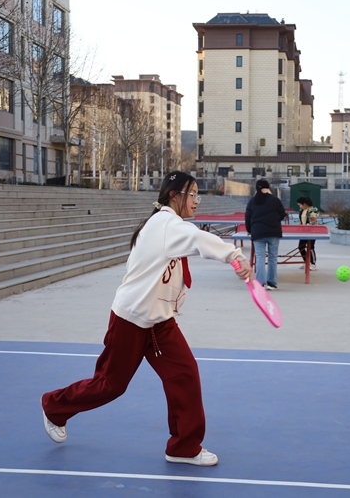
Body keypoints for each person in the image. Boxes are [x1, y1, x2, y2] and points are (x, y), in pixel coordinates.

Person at [40, 171, 252, 467]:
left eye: (197, 195)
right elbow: (198, 239)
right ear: (175, 196)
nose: (196, 200)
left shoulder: (170, 225)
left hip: (159, 321)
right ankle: (54, 406)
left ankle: (183, 447)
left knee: (185, 374)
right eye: (192, 194)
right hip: (130, 319)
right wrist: (235, 257)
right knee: (109, 385)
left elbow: (190, 244)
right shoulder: (165, 224)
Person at [245, 179, 285, 290]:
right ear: (268, 188)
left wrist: (249, 230)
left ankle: (260, 284)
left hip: (258, 233)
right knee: (272, 258)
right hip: (274, 232)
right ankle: (272, 283)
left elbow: (247, 217)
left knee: (260, 258)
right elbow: (282, 215)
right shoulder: (275, 200)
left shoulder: (252, 201)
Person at [296, 197, 319, 271]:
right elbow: (302, 220)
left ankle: (313, 263)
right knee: (301, 247)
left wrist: (310, 224)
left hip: (312, 232)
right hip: (304, 232)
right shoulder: (302, 210)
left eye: (300, 205)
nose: (300, 207)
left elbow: (313, 220)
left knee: (311, 247)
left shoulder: (313, 210)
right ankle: (306, 261)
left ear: (305, 204)